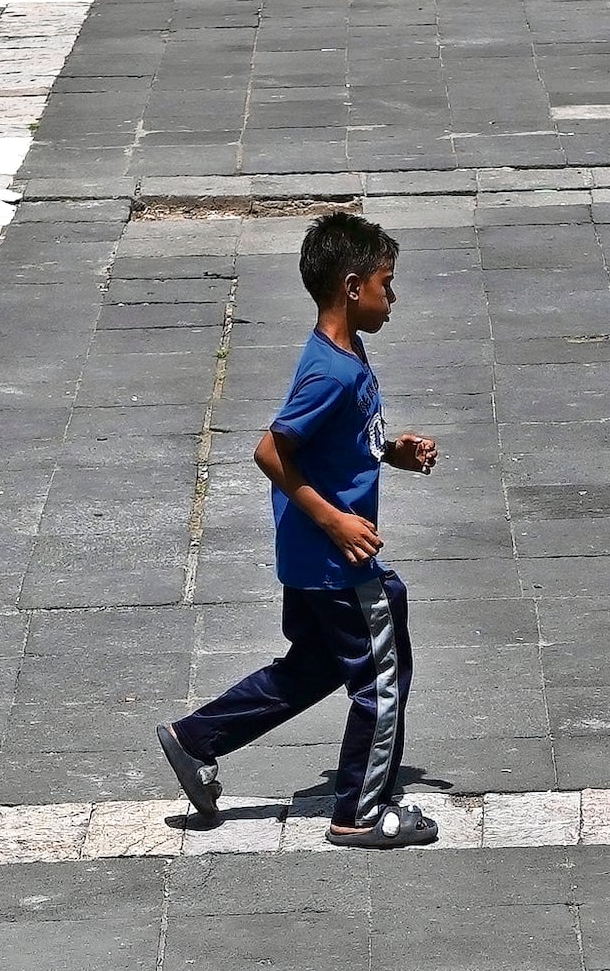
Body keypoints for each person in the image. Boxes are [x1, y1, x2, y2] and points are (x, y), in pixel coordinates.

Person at [152, 210, 441, 849]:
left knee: (313, 666)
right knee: (380, 677)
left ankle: (197, 738)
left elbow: (335, 443)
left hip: (314, 560)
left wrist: (392, 451)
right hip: (339, 559)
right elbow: (271, 451)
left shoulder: (344, 356)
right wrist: (335, 519)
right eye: (386, 283)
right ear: (352, 286)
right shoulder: (330, 372)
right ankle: (362, 811)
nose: (392, 298)